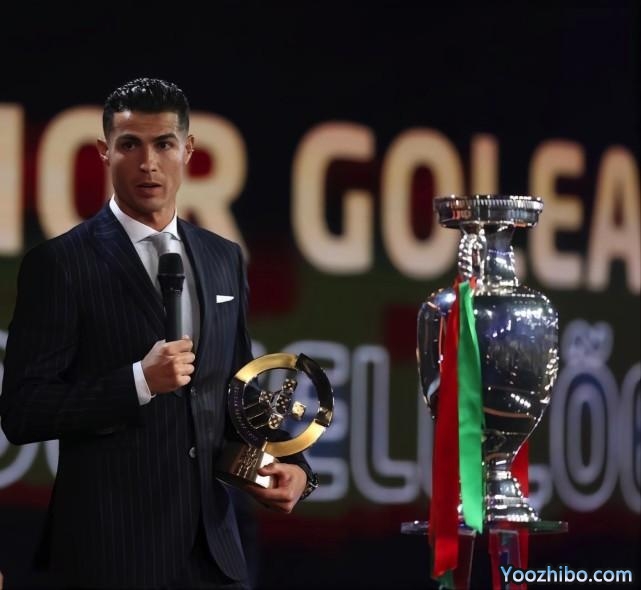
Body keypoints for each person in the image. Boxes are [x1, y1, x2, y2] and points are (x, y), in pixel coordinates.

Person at [0, 77, 316, 589]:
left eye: (164, 144)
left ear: (188, 150)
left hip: (213, 557)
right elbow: (23, 410)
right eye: (130, 145)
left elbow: (237, 392)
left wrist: (291, 464)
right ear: (104, 152)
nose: (148, 162)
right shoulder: (60, 265)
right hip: (111, 556)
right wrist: (139, 382)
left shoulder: (222, 258)